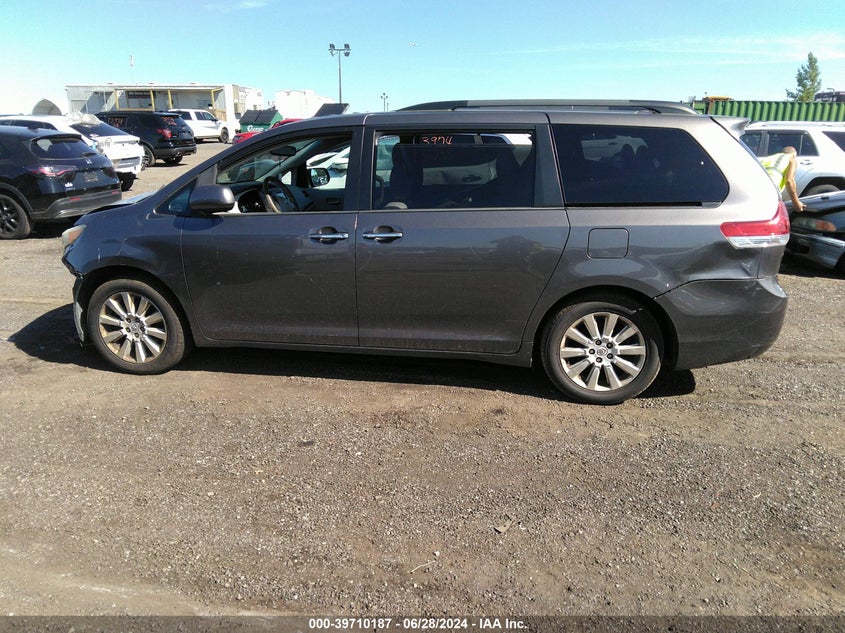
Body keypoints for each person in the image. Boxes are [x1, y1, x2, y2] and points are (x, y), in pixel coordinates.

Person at [759, 146, 806, 212]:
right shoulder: (791, 158)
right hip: (771, 187)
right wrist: (796, 203)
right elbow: (789, 180)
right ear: (794, 154)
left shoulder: (768, 158)